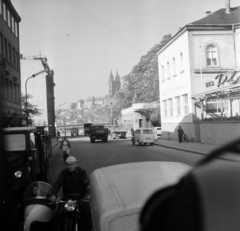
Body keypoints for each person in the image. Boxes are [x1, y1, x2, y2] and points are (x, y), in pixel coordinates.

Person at [50, 156, 92, 231]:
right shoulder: (64, 172)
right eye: (68, 165)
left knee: (87, 212)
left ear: (76, 164)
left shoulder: (82, 172)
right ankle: (60, 228)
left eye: (72, 164)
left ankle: (88, 229)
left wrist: (88, 194)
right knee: (59, 213)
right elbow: (57, 184)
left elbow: (86, 183)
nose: (70, 167)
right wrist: (54, 195)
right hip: (67, 197)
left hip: (80, 197)